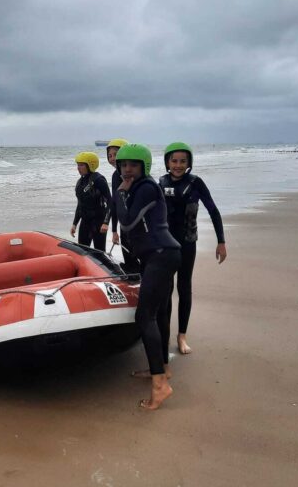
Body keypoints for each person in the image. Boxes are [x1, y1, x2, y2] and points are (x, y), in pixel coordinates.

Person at [114, 144, 181, 410]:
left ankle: (160, 386)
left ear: (144, 166)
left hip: (161, 255)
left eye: (132, 165)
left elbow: (128, 222)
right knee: (159, 313)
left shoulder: (146, 188)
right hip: (159, 255)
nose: (126, 170)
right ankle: (161, 369)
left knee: (145, 316)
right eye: (123, 165)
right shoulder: (140, 186)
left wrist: (120, 194)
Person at [159, 142, 227, 355]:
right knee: (166, 290)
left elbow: (213, 211)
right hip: (166, 245)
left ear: (189, 163)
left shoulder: (196, 183)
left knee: (184, 287)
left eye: (183, 161)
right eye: (174, 160)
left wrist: (221, 241)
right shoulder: (160, 182)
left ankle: (182, 336)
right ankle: (164, 336)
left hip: (188, 242)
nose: (178, 165)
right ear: (167, 162)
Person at [105, 138, 140, 273]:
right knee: (127, 256)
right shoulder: (115, 176)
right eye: (110, 155)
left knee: (138, 256)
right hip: (124, 224)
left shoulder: (137, 174)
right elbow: (115, 202)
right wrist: (114, 230)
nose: (113, 158)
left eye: (116, 154)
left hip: (139, 224)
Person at [71, 152, 111, 251]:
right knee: (82, 251)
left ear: (90, 165)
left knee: (100, 252)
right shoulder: (80, 182)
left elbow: (110, 202)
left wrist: (106, 222)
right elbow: (80, 204)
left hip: (98, 223)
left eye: (81, 165)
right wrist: (75, 223)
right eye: (78, 165)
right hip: (85, 222)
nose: (78, 168)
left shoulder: (99, 180)